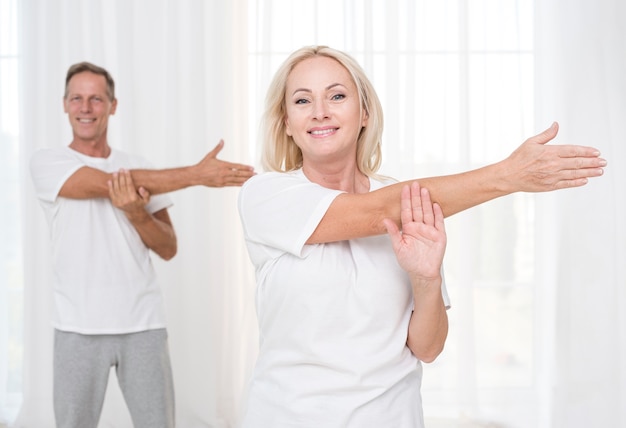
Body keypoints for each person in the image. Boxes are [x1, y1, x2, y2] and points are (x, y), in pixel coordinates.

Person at [237, 45, 606, 427]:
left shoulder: (404, 204)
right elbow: (373, 211)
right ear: (285, 122)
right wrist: (507, 175)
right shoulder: (265, 196)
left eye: (337, 95)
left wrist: (426, 279)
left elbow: (427, 349)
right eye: (302, 100)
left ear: (364, 113)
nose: (320, 111)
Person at [29, 61, 255, 428]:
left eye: (97, 99)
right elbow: (103, 184)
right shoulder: (49, 162)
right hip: (77, 326)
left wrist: (136, 213)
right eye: (77, 99)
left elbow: (168, 247)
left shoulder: (142, 167)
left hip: (143, 325)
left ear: (113, 105)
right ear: (64, 104)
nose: (86, 108)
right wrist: (196, 175)